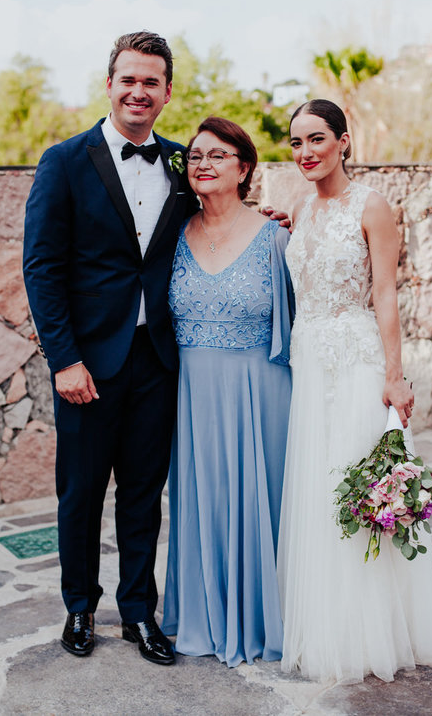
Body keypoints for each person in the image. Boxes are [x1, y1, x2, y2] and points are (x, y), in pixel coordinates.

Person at [22, 31, 197, 664]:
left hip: (157, 359)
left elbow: (217, 223)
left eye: (152, 81)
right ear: (110, 84)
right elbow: (42, 267)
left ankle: (137, 613)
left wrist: (273, 224)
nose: (139, 91)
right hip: (87, 363)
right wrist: (64, 358)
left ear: (167, 92)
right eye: (129, 78)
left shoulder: (182, 164)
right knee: (82, 491)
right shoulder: (64, 161)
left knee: (144, 493)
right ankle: (78, 608)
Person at [276, 99, 432, 683]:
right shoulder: (299, 206)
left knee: (355, 483)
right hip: (308, 358)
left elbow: (383, 293)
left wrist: (394, 374)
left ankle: (369, 633)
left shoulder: (372, 206)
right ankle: (322, 623)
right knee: (314, 484)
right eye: (296, 142)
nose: (306, 152)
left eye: (317, 139)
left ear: (344, 142)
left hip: (354, 358)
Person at [160, 117, 293, 667]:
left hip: (261, 390)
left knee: (263, 503)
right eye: (195, 156)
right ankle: (203, 614)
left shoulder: (278, 236)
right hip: (192, 394)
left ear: (244, 168)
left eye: (218, 155)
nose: (203, 164)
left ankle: (266, 619)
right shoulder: (171, 235)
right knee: (201, 500)